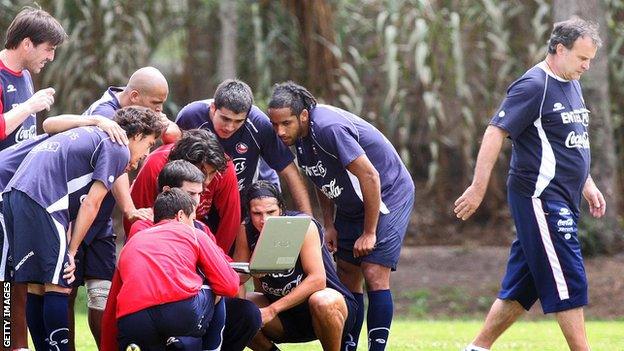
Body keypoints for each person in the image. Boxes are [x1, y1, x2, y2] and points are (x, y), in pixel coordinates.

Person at [453, 17, 605, 351]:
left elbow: (570, 140)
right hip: (539, 198)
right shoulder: (534, 85)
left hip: (564, 197)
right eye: (582, 58)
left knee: (524, 285)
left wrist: (587, 183)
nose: (587, 66)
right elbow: (495, 131)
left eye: (590, 59)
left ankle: (476, 348)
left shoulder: (572, 82)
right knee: (567, 276)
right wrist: (478, 187)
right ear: (559, 49)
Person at [267, 82, 415, 350]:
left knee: (373, 271)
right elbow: (320, 176)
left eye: (285, 123)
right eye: (275, 124)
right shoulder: (301, 138)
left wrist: (369, 232)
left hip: (387, 193)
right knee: (346, 275)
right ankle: (348, 346)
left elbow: (370, 176)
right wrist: (330, 224)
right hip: (350, 201)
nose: (280, 131)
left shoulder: (328, 128)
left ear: (303, 116)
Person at [2, 106, 164, 351]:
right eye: (149, 144)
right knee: (60, 283)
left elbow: (50, 127)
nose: (146, 153)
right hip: (42, 200)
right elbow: (92, 203)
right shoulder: (118, 147)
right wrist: (72, 251)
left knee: (36, 284)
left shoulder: (93, 132)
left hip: (14, 196)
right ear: (137, 134)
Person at [41, 66, 181, 349]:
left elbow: (173, 135)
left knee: (102, 292)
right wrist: (129, 209)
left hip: (99, 219)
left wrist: (163, 121)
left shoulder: (136, 111)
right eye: (156, 104)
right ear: (135, 96)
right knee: (63, 288)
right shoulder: (105, 115)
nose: (160, 109)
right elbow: (117, 166)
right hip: (72, 213)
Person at [101, 161, 261, 351]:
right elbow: (227, 282)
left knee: (248, 313)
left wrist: (254, 269)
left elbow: (227, 268)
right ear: (168, 192)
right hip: (177, 309)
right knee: (212, 290)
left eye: (200, 194)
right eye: (191, 194)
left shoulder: (201, 228)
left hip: (139, 315)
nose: (197, 201)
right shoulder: (144, 226)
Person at [0, 7, 66, 349]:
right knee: (6, 280)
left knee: (19, 278)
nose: (51, 57)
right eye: (48, 49)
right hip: (1, 193)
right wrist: (29, 107)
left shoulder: (24, 76)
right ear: (26, 43)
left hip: (19, 193)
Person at [235, 181, 358, 351]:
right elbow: (238, 278)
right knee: (237, 310)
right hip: (283, 318)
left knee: (322, 300)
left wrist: (272, 310)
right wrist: (254, 266)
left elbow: (318, 280)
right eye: (257, 213)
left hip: (324, 310)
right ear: (249, 212)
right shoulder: (246, 229)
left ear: (281, 208)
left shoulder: (303, 225)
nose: (264, 220)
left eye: (271, 212)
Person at [114, 188, 239, 350]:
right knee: (216, 288)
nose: (194, 224)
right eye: (192, 219)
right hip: (180, 312)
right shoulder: (193, 233)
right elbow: (230, 286)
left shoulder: (133, 240)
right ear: (180, 215)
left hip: (131, 319)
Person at [175, 79, 312, 214]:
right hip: (195, 201)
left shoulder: (259, 124)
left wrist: (309, 223)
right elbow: (169, 161)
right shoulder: (190, 116)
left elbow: (290, 172)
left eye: (238, 121)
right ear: (213, 108)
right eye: (225, 119)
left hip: (240, 202)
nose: (230, 127)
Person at [128, 128, 241, 251]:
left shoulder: (223, 166)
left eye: (212, 173)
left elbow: (230, 220)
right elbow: (138, 215)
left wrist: (217, 257)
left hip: (200, 234)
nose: (207, 181)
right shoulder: (155, 165)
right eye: (201, 172)